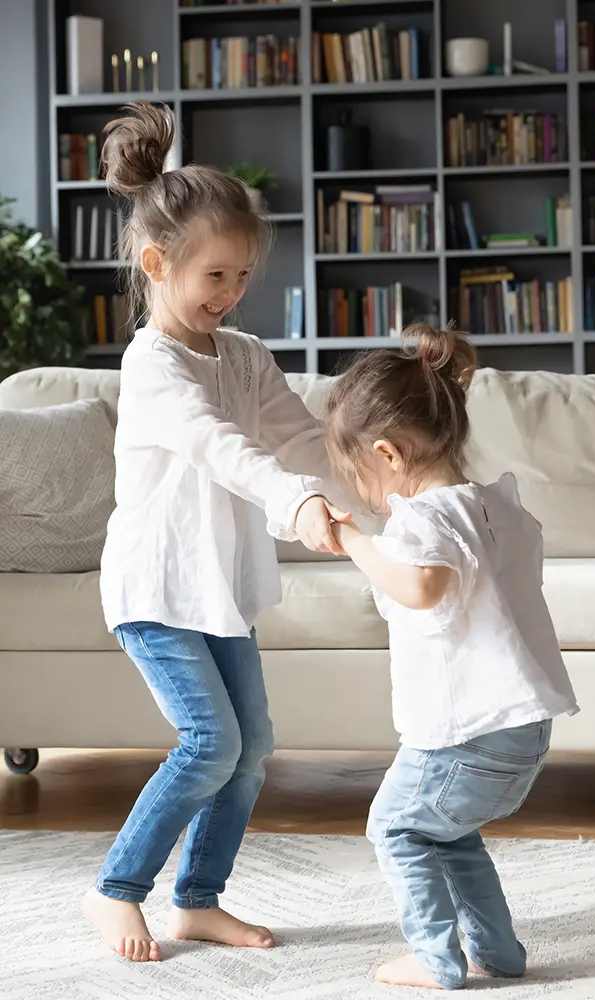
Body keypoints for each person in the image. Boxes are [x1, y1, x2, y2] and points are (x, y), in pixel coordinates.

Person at [83, 101, 350, 963]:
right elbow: (225, 449)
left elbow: (297, 434)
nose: (231, 295)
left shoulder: (242, 353)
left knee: (252, 748)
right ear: (157, 265)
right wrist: (294, 505)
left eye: (241, 278)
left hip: (216, 586)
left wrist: (366, 486)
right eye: (215, 278)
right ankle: (115, 890)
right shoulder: (153, 365)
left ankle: (198, 901)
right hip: (156, 588)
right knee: (211, 741)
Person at [324, 324, 579, 991]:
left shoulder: (422, 517)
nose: (369, 496)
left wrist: (357, 545)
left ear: (388, 452)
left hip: (464, 731)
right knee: (448, 832)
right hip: (520, 725)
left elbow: (420, 586)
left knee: (396, 829)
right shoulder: (493, 506)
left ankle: (436, 959)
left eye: (363, 479)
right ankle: (496, 951)